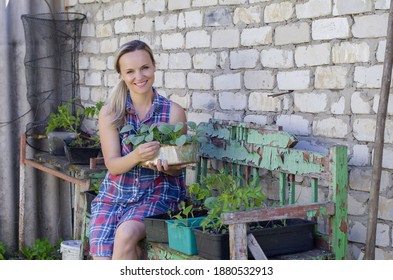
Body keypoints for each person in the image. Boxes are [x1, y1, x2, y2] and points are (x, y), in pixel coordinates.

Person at [89, 40, 188, 260]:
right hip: (114, 196)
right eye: (130, 71)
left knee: (125, 234)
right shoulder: (111, 113)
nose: (139, 76)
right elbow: (113, 164)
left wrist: (168, 167)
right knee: (102, 259)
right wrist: (137, 155)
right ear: (121, 75)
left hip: (158, 194)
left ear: (153, 66)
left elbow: (178, 169)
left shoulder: (174, 113)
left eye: (144, 68)